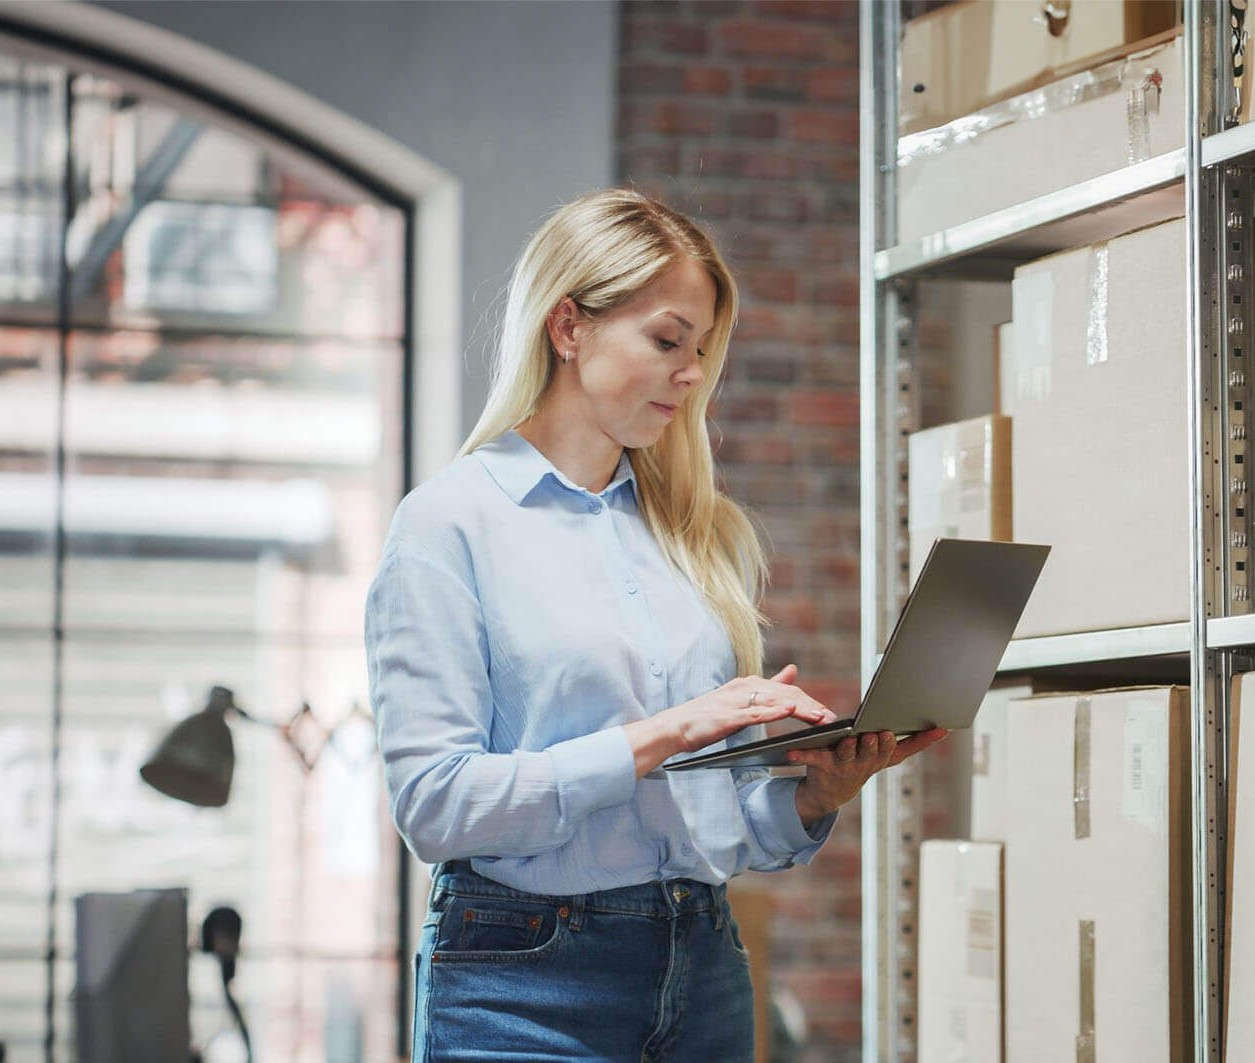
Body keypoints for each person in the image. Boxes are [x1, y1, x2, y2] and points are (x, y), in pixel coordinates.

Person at [364, 187, 948, 1062]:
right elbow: (435, 807)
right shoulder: (448, 524)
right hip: (522, 982)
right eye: (668, 340)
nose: (692, 372)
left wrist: (811, 798)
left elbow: (705, 822)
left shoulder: (690, 534)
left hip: (700, 962)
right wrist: (663, 733)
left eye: (703, 350)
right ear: (569, 327)